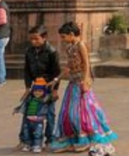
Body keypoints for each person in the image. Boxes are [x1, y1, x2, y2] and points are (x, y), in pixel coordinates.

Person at [50, 22, 117, 153]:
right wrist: (56, 79)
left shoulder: (81, 45)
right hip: (72, 83)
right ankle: (73, 140)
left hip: (80, 83)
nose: (62, 40)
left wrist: (86, 80)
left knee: (80, 113)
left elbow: (87, 63)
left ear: (71, 34)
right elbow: (69, 66)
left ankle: (85, 140)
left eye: (63, 37)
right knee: (67, 113)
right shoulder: (70, 47)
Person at [22, 25, 61, 148]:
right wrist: (28, 87)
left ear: (44, 38)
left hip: (48, 86)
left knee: (49, 114)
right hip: (35, 88)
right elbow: (27, 70)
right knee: (30, 113)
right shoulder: (29, 51)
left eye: (36, 39)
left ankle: (49, 140)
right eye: (31, 39)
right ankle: (26, 140)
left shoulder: (52, 52)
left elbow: (56, 72)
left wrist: (55, 90)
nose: (33, 42)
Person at [14, 78, 52, 153]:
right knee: (27, 132)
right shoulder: (30, 99)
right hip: (28, 119)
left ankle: (37, 145)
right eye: (35, 91)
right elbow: (23, 105)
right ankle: (28, 144)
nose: (37, 93)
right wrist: (17, 109)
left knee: (38, 133)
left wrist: (49, 89)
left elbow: (49, 96)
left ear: (43, 92)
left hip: (38, 120)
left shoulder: (44, 100)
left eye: (40, 91)